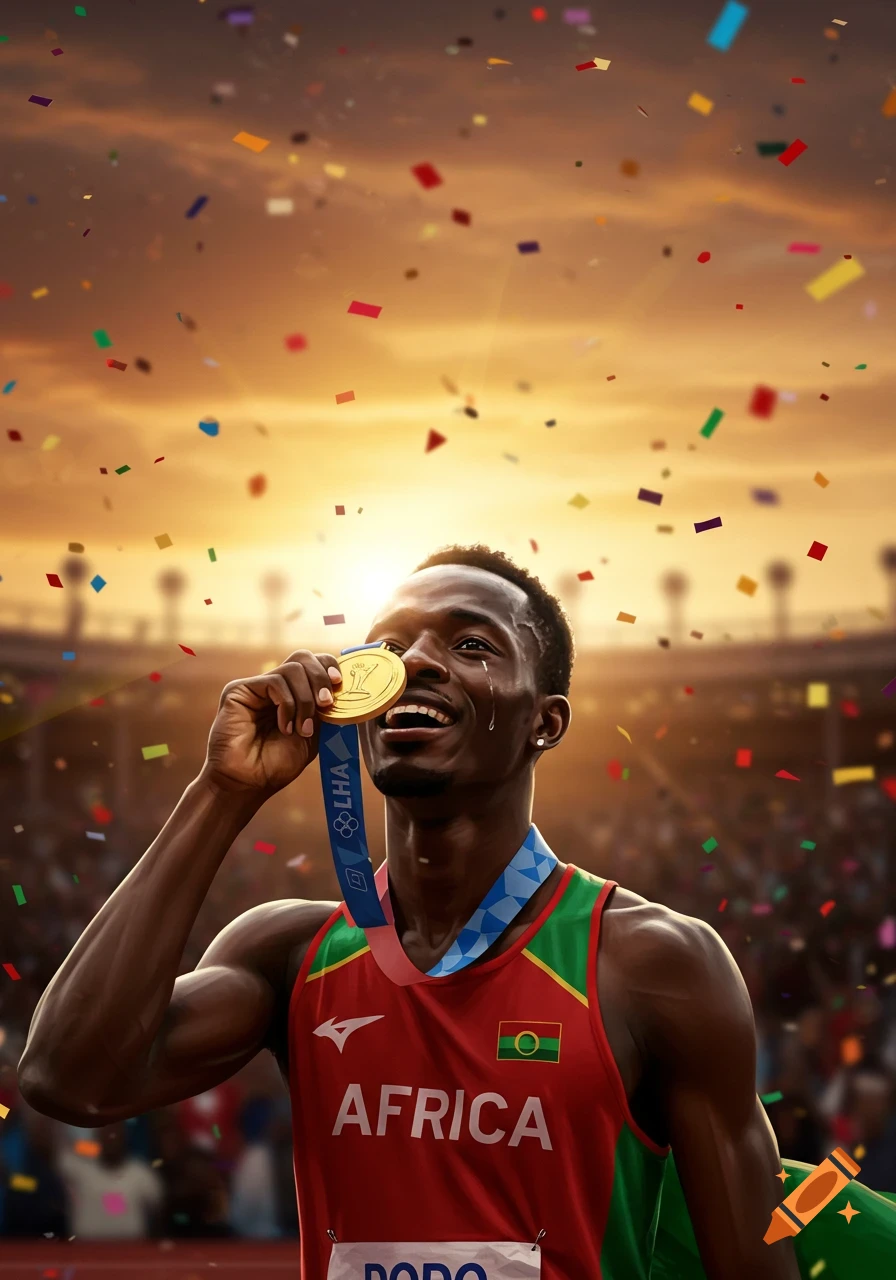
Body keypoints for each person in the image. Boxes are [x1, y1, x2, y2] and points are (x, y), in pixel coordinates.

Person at [15, 546, 894, 1278]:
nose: (417, 662)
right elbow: (68, 1078)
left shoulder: (656, 965)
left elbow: (753, 1270)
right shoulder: (289, 953)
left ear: (544, 723)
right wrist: (222, 790)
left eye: (471, 646)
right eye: (389, 645)